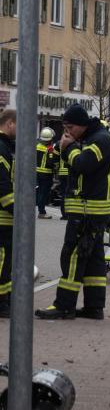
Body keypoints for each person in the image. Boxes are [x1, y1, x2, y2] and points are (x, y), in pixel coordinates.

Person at [36, 104, 110, 320]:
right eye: (64, 127)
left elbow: (82, 165)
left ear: (81, 124)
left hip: (88, 212)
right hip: (89, 211)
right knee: (94, 260)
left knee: (72, 256)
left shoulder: (100, 140)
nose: (67, 132)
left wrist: (69, 148)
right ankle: (94, 307)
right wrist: (68, 149)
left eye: (70, 126)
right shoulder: (88, 139)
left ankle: (64, 305)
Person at [0, 110, 16, 318]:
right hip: (3, 217)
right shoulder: (2, 149)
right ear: (10, 123)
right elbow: (2, 186)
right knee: (3, 262)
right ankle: (2, 305)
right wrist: (18, 211)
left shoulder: (5, 147)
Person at [36, 127, 58, 219]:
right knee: (44, 193)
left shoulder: (37, 146)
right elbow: (51, 163)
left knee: (40, 191)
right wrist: (56, 165)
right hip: (46, 174)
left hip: (38, 172)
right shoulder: (49, 149)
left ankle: (41, 210)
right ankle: (42, 212)